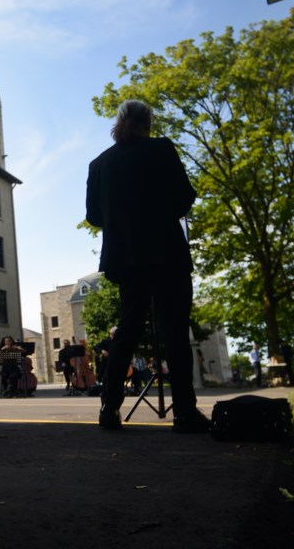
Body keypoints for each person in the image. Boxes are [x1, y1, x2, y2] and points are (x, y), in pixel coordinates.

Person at [85, 100, 209, 433]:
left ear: (119, 122)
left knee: (127, 330)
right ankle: (184, 412)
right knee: (174, 332)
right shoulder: (161, 149)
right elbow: (185, 197)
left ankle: (109, 408)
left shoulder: (99, 164)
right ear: (147, 122)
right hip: (166, 251)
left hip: (125, 257)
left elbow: (95, 217)